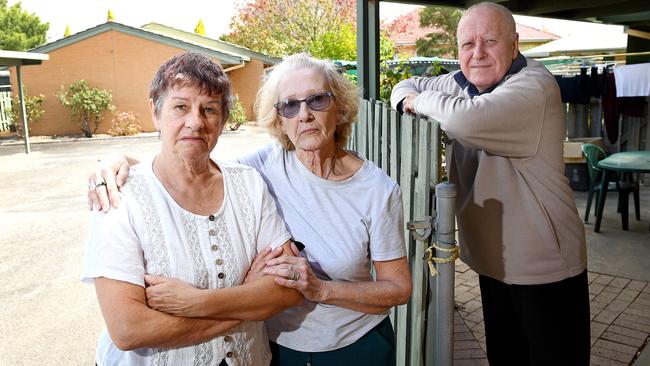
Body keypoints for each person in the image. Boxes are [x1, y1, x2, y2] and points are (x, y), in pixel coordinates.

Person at [89, 53, 412, 366]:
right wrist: (118, 161)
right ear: (279, 119)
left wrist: (321, 289)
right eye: (290, 105)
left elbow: (398, 289)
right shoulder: (262, 169)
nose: (304, 115)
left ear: (338, 106)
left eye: (317, 100)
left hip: (354, 345)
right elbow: (190, 162)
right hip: (283, 346)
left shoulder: (376, 191)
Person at [391, 3, 589, 366]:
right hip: (493, 260)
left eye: (490, 41)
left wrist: (420, 102)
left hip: (544, 269)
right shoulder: (458, 83)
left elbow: (464, 121)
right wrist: (410, 97)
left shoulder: (534, 86)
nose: (477, 53)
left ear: (514, 46)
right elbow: (404, 86)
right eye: (467, 44)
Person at [82, 52, 302, 366]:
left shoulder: (249, 184)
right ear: (155, 113)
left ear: (224, 120)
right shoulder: (119, 197)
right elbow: (129, 329)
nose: (195, 122)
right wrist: (247, 302)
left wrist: (195, 302)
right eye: (180, 107)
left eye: (209, 109)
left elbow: (289, 288)